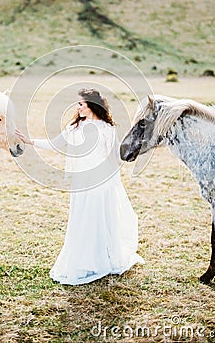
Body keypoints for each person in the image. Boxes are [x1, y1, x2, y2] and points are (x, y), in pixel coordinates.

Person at [16, 88, 144, 285]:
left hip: (102, 183)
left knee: (101, 220)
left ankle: (103, 259)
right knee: (82, 220)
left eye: (81, 104)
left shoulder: (108, 129)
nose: (78, 108)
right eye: (78, 104)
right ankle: (85, 261)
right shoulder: (75, 127)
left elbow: (115, 158)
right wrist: (30, 141)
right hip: (82, 183)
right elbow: (57, 144)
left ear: (92, 105)